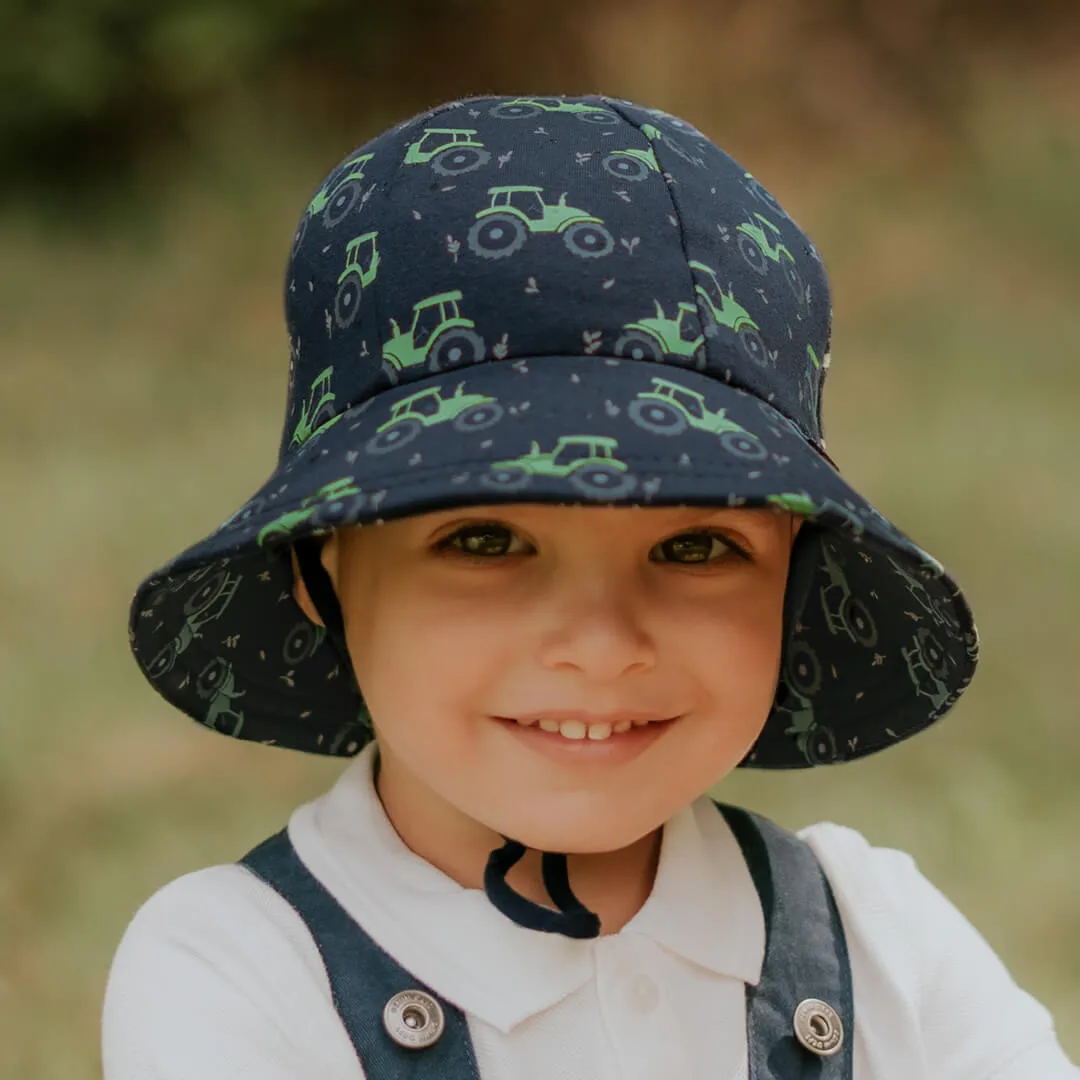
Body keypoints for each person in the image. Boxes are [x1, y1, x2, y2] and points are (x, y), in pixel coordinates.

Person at [102, 94, 1078, 1078]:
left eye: (696, 547)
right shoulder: (237, 968)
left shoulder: (877, 935)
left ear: (794, 568)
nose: (602, 644)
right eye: (484, 539)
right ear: (319, 566)